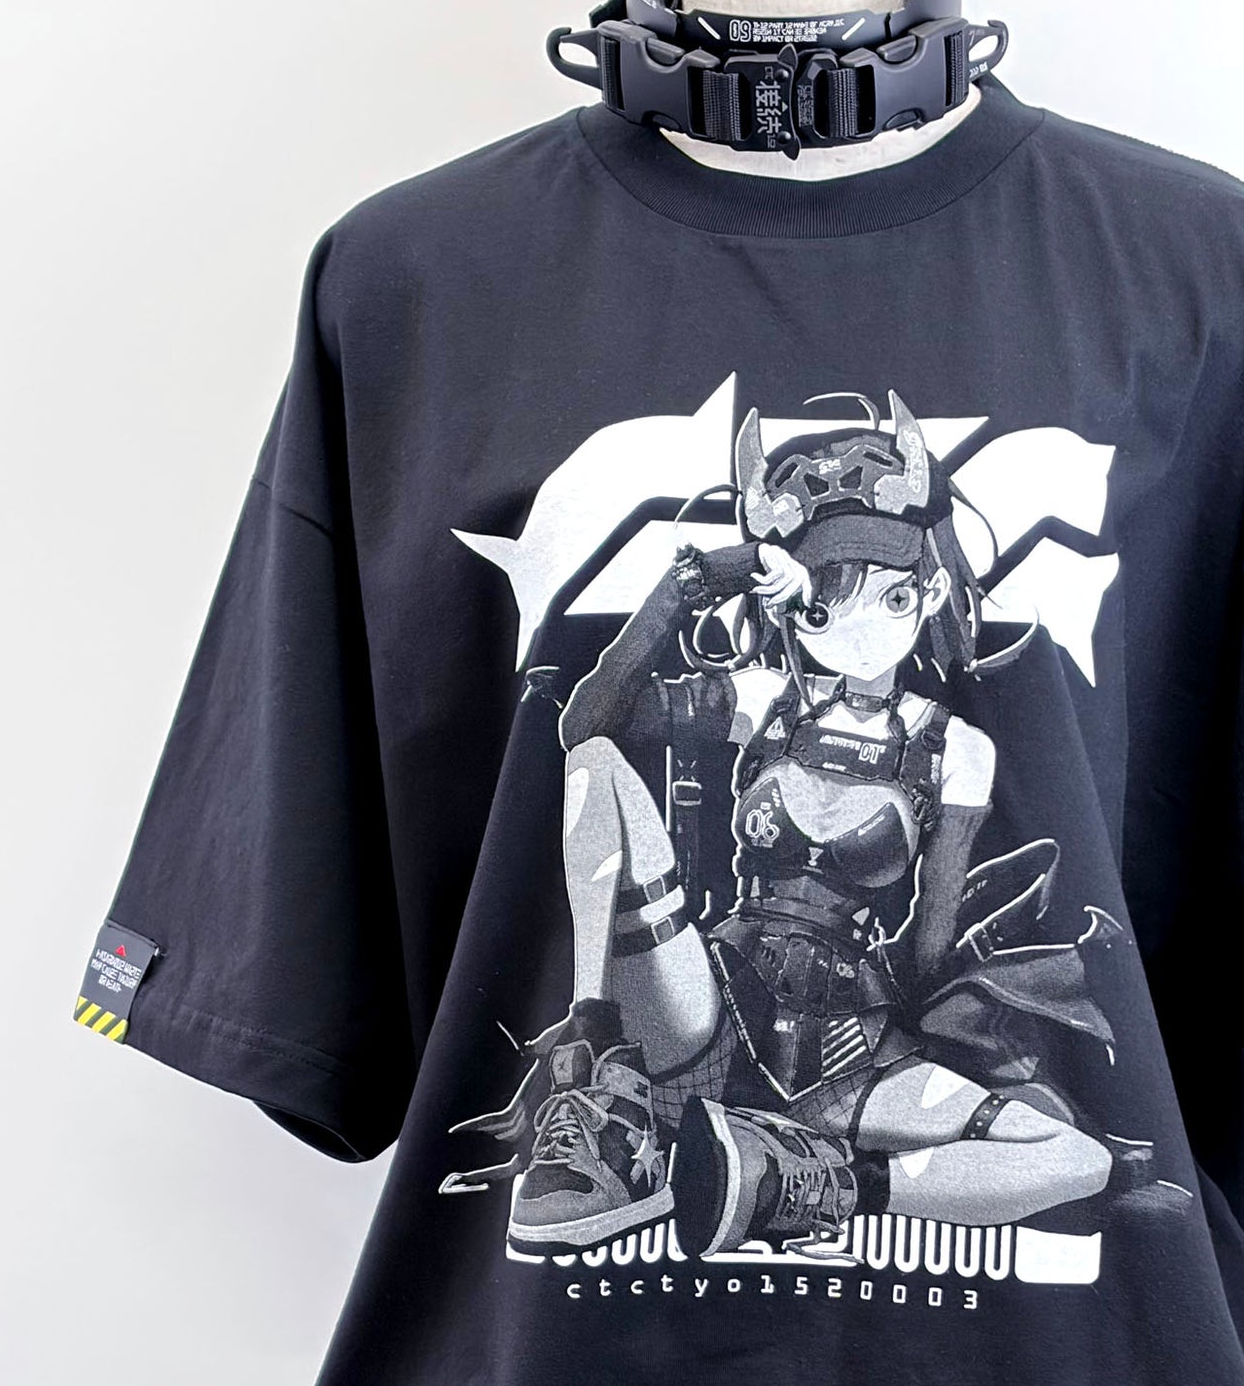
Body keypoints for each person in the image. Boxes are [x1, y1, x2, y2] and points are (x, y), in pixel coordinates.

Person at [447, 393, 1190, 1260]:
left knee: (1074, 1158)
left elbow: (928, 950)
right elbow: (588, 723)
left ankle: (810, 1180)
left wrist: (945, 1024)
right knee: (599, 766)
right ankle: (595, 1045)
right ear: (787, 604)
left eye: (891, 596)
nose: (858, 630)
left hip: (850, 1047)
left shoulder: (956, 749)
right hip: (708, 1008)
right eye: (822, 607)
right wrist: (709, 574)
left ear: (930, 590)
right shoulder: (766, 701)